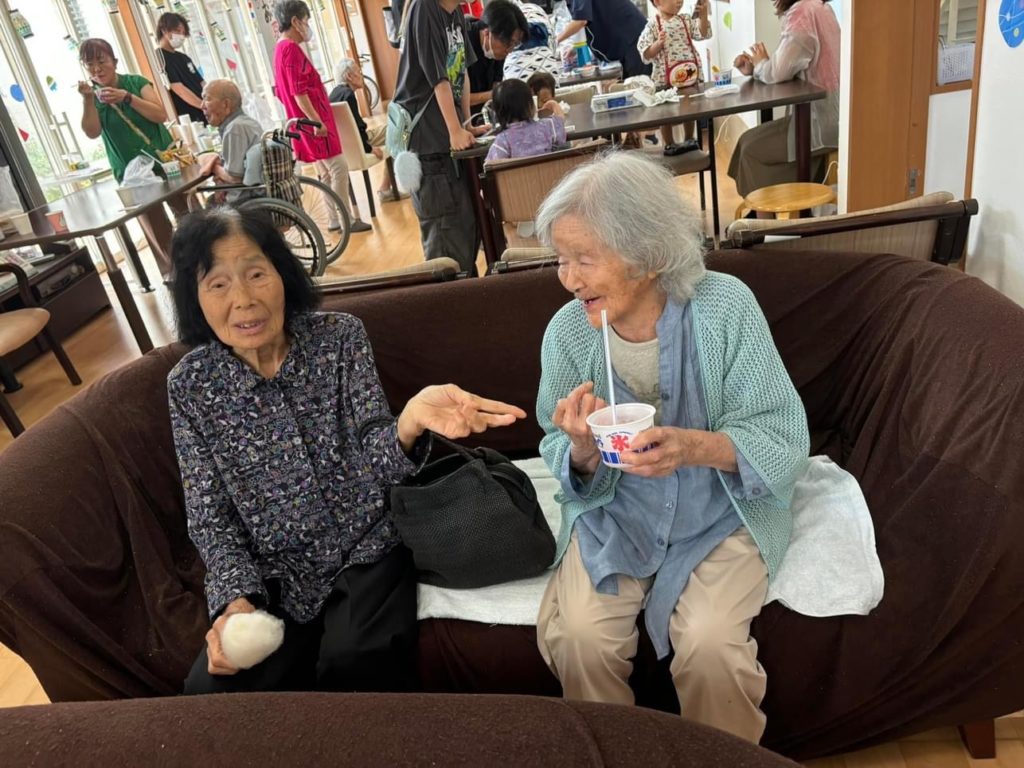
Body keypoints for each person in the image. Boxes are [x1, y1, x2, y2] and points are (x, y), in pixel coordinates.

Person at [168, 206, 527, 694]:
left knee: (357, 660)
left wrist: (407, 425)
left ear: (282, 273)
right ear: (194, 299)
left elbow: (375, 452)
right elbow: (210, 517)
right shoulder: (190, 386)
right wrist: (234, 601)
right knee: (211, 692)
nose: (244, 300)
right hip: (275, 572)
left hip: (367, 546)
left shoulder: (339, 339)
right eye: (218, 284)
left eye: (256, 274)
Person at [533, 151, 809, 743]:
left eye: (585, 259)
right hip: (616, 511)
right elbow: (554, 443)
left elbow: (783, 435)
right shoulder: (567, 332)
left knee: (709, 642)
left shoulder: (725, 307)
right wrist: (581, 449)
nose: (569, 279)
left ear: (649, 253)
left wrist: (692, 448)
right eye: (561, 259)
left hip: (722, 509)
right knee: (578, 635)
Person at [77, 38, 184, 281]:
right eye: (89, 64)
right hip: (132, 176)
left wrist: (127, 97)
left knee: (187, 214)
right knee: (157, 232)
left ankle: (207, 263)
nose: (97, 69)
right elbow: (92, 132)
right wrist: (87, 100)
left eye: (101, 61)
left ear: (114, 61)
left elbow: (160, 114)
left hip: (164, 162)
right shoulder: (93, 97)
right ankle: (175, 280)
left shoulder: (136, 83)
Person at [392, 0, 483, 274]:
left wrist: (465, 124)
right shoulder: (425, 8)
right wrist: (454, 130)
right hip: (428, 143)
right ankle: (449, 299)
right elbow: (438, 79)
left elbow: (461, 72)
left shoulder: (455, 12)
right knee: (446, 240)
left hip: (446, 139)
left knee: (465, 230)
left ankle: (466, 294)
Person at [272, 0, 372, 234]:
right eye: (306, 21)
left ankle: (334, 219)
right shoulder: (290, 49)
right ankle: (346, 219)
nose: (308, 26)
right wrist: (315, 120)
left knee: (326, 171)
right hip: (313, 123)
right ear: (295, 21)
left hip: (305, 122)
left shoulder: (280, 49)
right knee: (338, 167)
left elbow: (283, 92)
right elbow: (298, 92)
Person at [728, 0, 840, 197]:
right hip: (831, 116)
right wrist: (758, 67)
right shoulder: (822, 7)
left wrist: (761, 64)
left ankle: (764, 213)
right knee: (745, 142)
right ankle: (762, 208)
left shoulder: (802, 12)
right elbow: (787, 67)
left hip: (820, 122)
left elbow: (779, 71)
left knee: (750, 150)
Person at [637, 0, 710, 156]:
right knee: (665, 113)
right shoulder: (652, 25)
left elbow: (702, 34)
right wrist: (658, 44)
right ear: (657, 1)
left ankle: (689, 138)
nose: (679, 1)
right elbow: (645, 53)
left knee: (689, 109)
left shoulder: (685, 20)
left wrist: (703, 16)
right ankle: (669, 143)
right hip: (664, 80)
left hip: (689, 76)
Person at [327, 59, 403, 203]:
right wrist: (369, 148)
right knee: (399, 129)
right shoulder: (348, 95)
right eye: (358, 72)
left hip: (344, 148)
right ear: (349, 76)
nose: (361, 75)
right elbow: (357, 129)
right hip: (360, 143)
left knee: (392, 129)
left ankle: (386, 187)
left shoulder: (333, 95)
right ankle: (385, 188)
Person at [198, 79, 263, 203]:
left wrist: (214, 168)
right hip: (258, 192)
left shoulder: (235, 128)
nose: (202, 106)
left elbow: (234, 178)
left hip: (247, 199)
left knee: (206, 206)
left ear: (226, 104)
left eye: (207, 99)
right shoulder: (247, 122)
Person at [556, 0, 650, 78]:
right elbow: (588, 20)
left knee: (640, 88)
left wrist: (556, 40)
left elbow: (581, 21)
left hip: (633, 40)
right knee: (630, 86)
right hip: (626, 41)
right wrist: (576, 47)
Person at [466, 0, 529, 112]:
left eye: (515, 44)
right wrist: (496, 94)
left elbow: (496, 83)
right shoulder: (462, 42)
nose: (509, 50)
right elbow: (455, 98)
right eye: (508, 43)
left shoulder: (499, 50)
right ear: (487, 32)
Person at [485, 78, 566, 162]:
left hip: (518, 171)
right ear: (530, 105)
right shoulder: (547, 126)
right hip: (551, 170)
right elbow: (560, 121)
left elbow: (491, 164)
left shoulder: (502, 140)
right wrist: (554, 105)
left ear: (498, 113)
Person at [155, 12, 205, 124]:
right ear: (164, 30)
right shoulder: (160, 58)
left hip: (204, 112)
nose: (181, 36)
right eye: (177, 31)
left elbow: (202, 83)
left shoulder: (184, 57)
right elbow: (179, 89)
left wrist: (212, 101)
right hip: (189, 116)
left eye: (183, 33)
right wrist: (203, 105)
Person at [501, 2, 563, 82]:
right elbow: (553, 41)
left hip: (515, 65)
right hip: (545, 59)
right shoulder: (537, 11)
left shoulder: (511, 18)